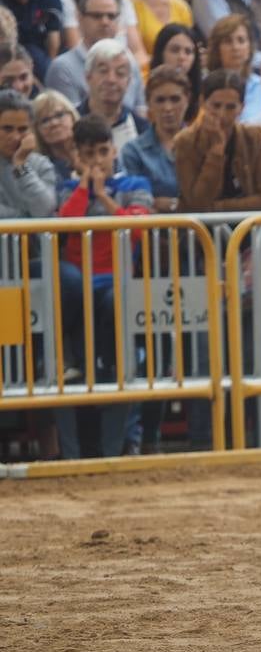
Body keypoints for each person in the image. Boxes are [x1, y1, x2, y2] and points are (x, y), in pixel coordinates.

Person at [56, 114, 149, 458]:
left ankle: (119, 446)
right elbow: (63, 228)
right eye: (88, 154)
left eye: (102, 151)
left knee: (120, 363)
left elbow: (139, 229)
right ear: (77, 156)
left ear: (114, 151)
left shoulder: (136, 184)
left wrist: (103, 197)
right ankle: (73, 453)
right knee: (73, 369)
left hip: (117, 288)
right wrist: (84, 189)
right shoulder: (68, 190)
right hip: (77, 292)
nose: (97, 161)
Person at [173, 67, 261, 211]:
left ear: (242, 108)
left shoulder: (257, 138)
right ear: (202, 102)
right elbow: (197, 203)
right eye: (216, 105)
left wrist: (219, 208)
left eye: (230, 107)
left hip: (252, 230)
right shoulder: (185, 141)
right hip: (201, 231)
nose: (222, 114)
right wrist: (215, 155)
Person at [46, 0, 145, 114]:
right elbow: (69, 122)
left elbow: (142, 112)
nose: (105, 22)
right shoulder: (62, 67)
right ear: (79, 19)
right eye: (97, 16)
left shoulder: (130, 63)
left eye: (111, 16)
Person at [119, 63, 189, 207]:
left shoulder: (202, 144)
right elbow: (135, 201)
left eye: (175, 99)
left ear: (187, 100)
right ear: (148, 103)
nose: (168, 108)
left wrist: (166, 203)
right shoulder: (133, 150)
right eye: (160, 100)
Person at [0, 89, 59, 220]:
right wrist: (28, 219)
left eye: (22, 129)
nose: (15, 137)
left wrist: (20, 166)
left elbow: (44, 209)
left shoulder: (41, 164)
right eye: (7, 129)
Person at [204, 14, 261, 119]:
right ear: (217, 49)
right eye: (228, 41)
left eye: (241, 40)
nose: (235, 47)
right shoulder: (204, 86)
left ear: (249, 47)